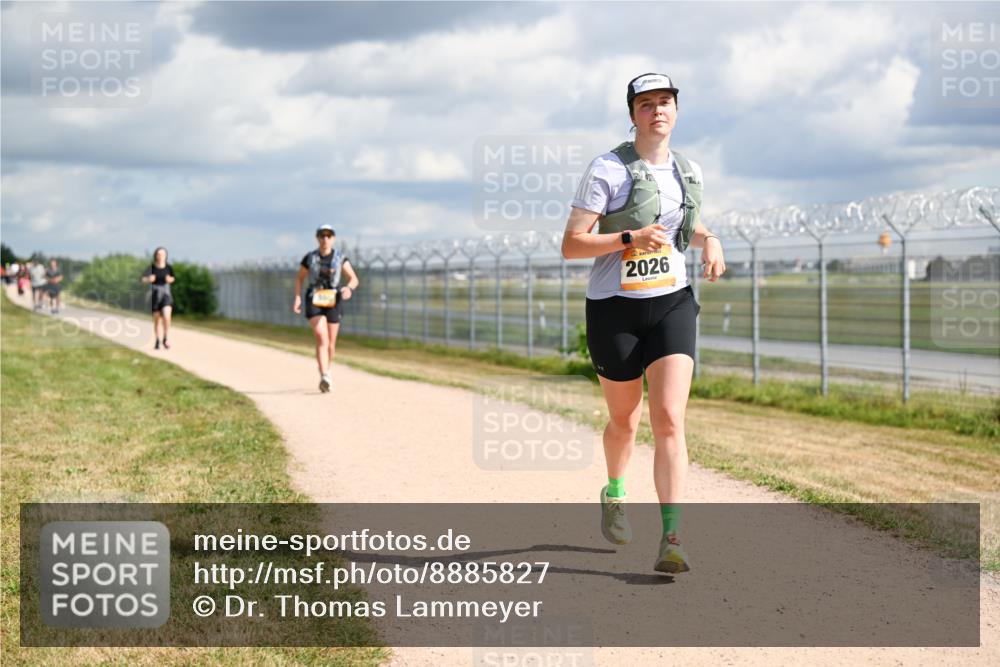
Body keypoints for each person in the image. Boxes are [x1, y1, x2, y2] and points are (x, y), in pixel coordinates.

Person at [561, 73, 726, 574]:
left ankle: (672, 537)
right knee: (624, 420)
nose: (658, 110)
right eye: (647, 104)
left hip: (672, 302)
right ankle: (614, 491)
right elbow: (571, 244)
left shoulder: (687, 169)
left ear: (677, 110)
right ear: (633, 114)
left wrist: (710, 239)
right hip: (616, 307)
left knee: (670, 419)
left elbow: (682, 226)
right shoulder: (607, 169)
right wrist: (628, 238)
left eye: (666, 102)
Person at [293, 224, 359, 393]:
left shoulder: (340, 258)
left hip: (333, 300)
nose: (325, 239)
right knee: (321, 337)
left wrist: (348, 288)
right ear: (317, 238)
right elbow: (300, 278)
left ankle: (328, 370)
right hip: (314, 298)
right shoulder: (310, 258)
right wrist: (298, 297)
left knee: (331, 342)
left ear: (333, 238)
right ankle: (323, 375)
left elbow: (353, 278)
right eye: (322, 236)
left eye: (329, 236)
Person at [141, 247, 175, 350]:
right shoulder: (151, 267)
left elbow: (173, 278)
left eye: (163, 254)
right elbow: (142, 279)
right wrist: (148, 279)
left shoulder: (169, 267)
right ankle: (157, 340)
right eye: (159, 254)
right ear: (156, 255)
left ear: (166, 256)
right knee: (156, 319)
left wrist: (170, 279)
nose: (161, 256)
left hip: (165, 294)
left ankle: (165, 338)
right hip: (154, 294)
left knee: (167, 316)